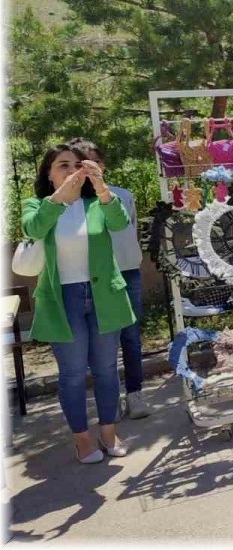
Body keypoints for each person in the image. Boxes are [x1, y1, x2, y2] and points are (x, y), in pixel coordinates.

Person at [23, 142, 135, 463]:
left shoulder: (97, 204)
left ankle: (109, 432)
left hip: (103, 296)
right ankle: (82, 440)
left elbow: (119, 222)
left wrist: (100, 187)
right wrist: (59, 200)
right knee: (72, 374)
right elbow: (33, 227)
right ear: (49, 173)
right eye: (63, 165)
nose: (72, 171)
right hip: (63, 299)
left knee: (106, 370)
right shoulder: (37, 205)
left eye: (77, 166)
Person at [67, 138, 152, 420]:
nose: (88, 169)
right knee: (98, 342)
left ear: (102, 165)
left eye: (94, 162)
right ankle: (108, 398)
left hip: (126, 273)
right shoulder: (70, 203)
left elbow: (128, 233)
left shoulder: (122, 195)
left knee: (130, 335)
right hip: (91, 278)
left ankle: (135, 393)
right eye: (80, 163)